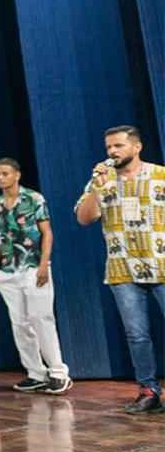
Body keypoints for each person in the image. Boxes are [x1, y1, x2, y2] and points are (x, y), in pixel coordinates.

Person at [75, 125, 165, 414]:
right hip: (122, 267)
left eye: (118, 146)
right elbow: (84, 218)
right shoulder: (102, 181)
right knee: (137, 334)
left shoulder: (160, 176)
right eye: (109, 148)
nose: (112, 152)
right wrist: (97, 190)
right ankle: (149, 390)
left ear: (136, 147)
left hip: (161, 263)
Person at [0, 157, 71, 394]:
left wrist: (44, 264)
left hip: (33, 267)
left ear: (17, 175)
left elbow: (47, 232)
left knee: (41, 318)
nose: (1, 178)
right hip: (9, 270)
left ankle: (57, 372)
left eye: (5, 173)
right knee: (20, 323)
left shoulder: (33, 199)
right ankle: (35, 373)